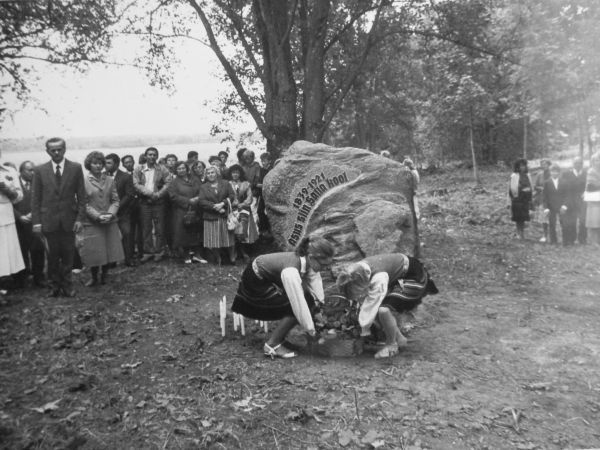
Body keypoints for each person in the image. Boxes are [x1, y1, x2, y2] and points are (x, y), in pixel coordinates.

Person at [231, 235, 335, 359]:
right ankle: (272, 345)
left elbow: (314, 282)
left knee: (308, 300)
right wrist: (311, 329)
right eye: (324, 265)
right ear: (312, 258)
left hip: (268, 277)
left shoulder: (307, 259)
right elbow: (298, 304)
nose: (326, 268)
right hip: (255, 281)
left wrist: (319, 307)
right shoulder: (291, 271)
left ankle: (280, 339)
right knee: (293, 307)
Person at [336, 253, 438, 359]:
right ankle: (400, 339)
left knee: (383, 310)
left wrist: (363, 332)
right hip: (403, 274)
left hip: (415, 278)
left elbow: (371, 307)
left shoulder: (379, 277)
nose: (358, 296)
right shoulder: (357, 271)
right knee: (380, 308)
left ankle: (391, 345)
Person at [31, 137, 86, 297]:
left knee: (68, 256)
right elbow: (35, 199)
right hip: (48, 221)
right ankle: (53, 286)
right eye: (52, 150)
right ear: (47, 151)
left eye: (59, 149)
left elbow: (82, 197)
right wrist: (36, 223)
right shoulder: (40, 170)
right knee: (52, 256)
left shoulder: (75, 168)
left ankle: (68, 286)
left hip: (69, 221)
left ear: (65, 149)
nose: (56, 152)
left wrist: (79, 219)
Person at [80, 152, 124, 286]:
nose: (98, 166)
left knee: (108, 249)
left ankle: (104, 275)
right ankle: (94, 277)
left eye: (100, 163)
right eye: (94, 163)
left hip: (109, 221)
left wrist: (110, 214)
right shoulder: (83, 181)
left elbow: (115, 200)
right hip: (93, 222)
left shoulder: (110, 180)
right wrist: (97, 216)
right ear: (89, 165)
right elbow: (83, 203)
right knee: (95, 251)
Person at [132, 147, 172, 263]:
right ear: (145, 156)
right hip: (144, 202)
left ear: (157, 156)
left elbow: (168, 183)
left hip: (159, 202)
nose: (152, 157)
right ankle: (148, 252)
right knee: (146, 227)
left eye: (154, 155)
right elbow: (136, 184)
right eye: (149, 154)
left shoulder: (162, 169)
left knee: (159, 227)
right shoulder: (139, 169)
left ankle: (159, 251)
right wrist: (149, 194)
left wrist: (158, 195)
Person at [13, 161, 46, 288]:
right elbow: (7, 204)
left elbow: (44, 200)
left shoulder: (39, 184)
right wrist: (19, 216)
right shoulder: (14, 185)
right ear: (21, 171)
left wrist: (33, 214)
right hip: (18, 224)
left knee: (38, 250)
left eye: (34, 170)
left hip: (35, 222)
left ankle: (39, 277)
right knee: (21, 251)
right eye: (29, 170)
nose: (33, 173)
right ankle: (21, 278)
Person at [168, 161, 206, 264]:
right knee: (184, 233)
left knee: (196, 232)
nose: (181, 170)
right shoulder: (174, 182)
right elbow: (173, 196)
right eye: (179, 169)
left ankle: (197, 255)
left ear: (187, 169)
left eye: (183, 168)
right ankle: (186, 255)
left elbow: (202, 190)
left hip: (196, 209)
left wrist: (197, 198)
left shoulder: (195, 179)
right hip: (182, 210)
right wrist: (188, 201)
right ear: (176, 170)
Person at [198, 166, 236, 265]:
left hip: (224, 215)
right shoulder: (203, 187)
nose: (210, 175)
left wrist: (223, 203)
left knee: (229, 238)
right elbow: (202, 201)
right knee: (214, 239)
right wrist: (215, 207)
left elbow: (231, 196)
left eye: (212, 172)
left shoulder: (225, 183)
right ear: (206, 175)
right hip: (211, 216)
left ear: (217, 173)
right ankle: (218, 258)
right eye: (208, 173)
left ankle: (232, 257)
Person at [0, 151, 25, 289]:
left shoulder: (8, 171)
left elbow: (19, 196)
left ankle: (3, 288)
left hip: (6, 217)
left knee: (5, 254)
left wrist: (8, 191)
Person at [105, 154, 136, 266]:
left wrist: (116, 208)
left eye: (109, 163)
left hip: (123, 212)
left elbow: (129, 195)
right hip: (107, 212)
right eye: (105, 162)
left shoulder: (125, 177)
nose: (106, 165)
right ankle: (112, 261)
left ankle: (128, 259)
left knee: (127, 234)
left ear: (117, 164)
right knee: (110, 236)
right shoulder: (102, 176)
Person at [228, 164, 259, 261]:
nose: (235, 174)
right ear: (230, 174)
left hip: (244, 210)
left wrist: (243, 204)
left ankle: (243, 252)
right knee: (232, 230)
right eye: (233, 172)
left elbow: (250, 197)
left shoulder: (246, 184)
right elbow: (226, 196)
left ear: (240, 174)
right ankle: (233, 253)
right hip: (232, 210)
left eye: (237, 172)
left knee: (243, 231)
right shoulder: (227, 184)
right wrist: (234, 204)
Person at [543, 164, 576, 246]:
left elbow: (568, 195)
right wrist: (546, 208)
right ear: (550, 172)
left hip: (561, 206)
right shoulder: (547, 183)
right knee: (552, 224)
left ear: (559, 172)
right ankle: (553, 241)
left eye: (556, 171)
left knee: (564, 224)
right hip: (551, 207)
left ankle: (566, 241)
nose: (554, 173)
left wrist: (564, 206)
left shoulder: (564, 182)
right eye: (552, 171)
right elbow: (545, 197)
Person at [122, 154, 144, 260]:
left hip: (140, 205)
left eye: (130, 161)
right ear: (123, 164)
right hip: (128, 207)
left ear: (134, 162)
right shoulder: (122, 176)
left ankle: (142, 251)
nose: (129, 164)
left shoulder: (138, 173)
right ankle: (130, 253)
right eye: (126, 162)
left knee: (141, 230)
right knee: (129, 231)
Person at [508, 158, 533, 240]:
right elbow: (510, 189)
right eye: (521, 166)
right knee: (517, 217)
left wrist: (530, 195)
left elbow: (530, 187)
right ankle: (518, 233)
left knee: (523, 217)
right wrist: (509, 201)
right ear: (517, 167)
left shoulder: (528, 175)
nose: (523, 167)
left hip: (525, 199)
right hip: (517, 199)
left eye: (524, 166)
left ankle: (522, 233)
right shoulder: (514, 176)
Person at [533, 159, 551, 243]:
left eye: (545, 164)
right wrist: (540, 188)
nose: (544, 166)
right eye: (542, 164)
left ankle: (553, 235)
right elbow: (535, 186)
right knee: (544, 217)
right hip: (542, 198)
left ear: (549, 165)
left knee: (552, 217)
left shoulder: (553, 173)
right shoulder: (539, 174)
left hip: (552, 198)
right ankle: (544, 235)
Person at [584, 152, 600, 246]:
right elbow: (593, 184)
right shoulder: (591, 171)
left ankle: (598, 239)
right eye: (596, 160)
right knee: (593, 219)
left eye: (599, 160)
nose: (598, 162)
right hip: (593, 198)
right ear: (593, 162)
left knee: (599, 219)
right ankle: (593, 240)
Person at [571, 156, 587, 244]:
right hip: (571, 199)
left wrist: (585, 192)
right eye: (575, 163)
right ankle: (572, 238)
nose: (577, 165)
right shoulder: (568, 174)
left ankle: (582, 238)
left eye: (580, 163)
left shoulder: (586, 174)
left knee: (582, 219)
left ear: (582, 164)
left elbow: (588, 185)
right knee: (572, 219)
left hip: (582, 199)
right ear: (573, 164)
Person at [256, 152, 272, 239]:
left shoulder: (272, 170)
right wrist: (259, 184)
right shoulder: (261, 170)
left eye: (265, 161)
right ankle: (264, 230)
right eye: (262, 161)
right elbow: (257, 182)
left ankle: (270, 229)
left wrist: (263, 185)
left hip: (270, 195)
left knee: (270, 212)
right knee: (260, 211)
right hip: (262, 194)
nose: (263, 163)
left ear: (269, 161)